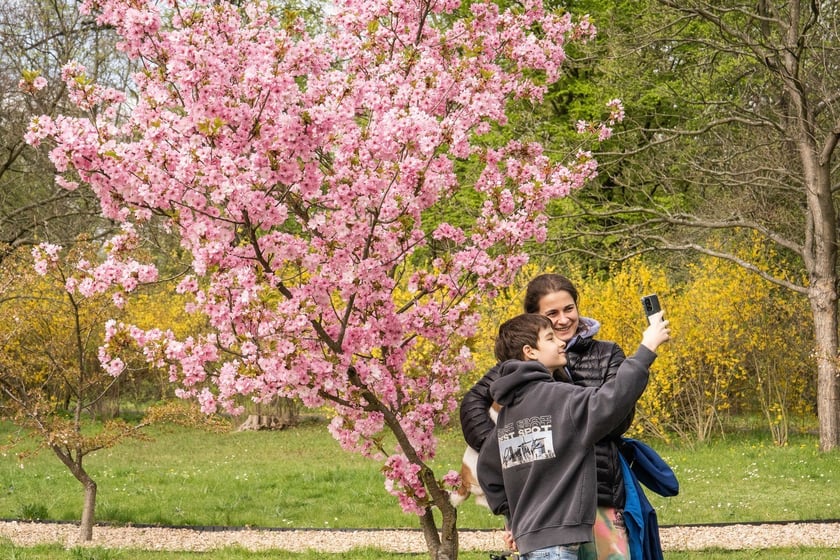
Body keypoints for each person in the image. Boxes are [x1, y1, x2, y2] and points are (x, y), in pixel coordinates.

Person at [460, 274, 635, 558]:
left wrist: (572, 422)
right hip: (545, 504)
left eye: (569, 309)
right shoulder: (518, 364)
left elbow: (619, 416)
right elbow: (472, 404)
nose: (564, 319)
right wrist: (510, 445)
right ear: (535, 321)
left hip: (600, 490)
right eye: (551, 314)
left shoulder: (606, 353)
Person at [477, 312, 670, 560]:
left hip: (532, 546)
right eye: (550, 338)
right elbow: (612, 400)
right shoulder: (559, 398)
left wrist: (514, 519)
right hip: (557, 549)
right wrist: (647, 348)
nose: (561, 342)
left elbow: (488, 472)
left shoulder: (509, 413)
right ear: (530, 351)